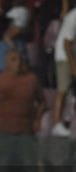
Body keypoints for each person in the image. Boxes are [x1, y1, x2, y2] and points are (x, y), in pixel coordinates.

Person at [0, 49, 46, 172]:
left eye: (19, 59)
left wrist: (37, 119)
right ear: (6, 63)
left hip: (26, 131)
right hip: (3, 132)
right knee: (6, 169)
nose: (18, 63)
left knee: (30, 169)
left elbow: (43, 102)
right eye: (13, 60)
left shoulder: (31, 79)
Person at [53, 5, 76, 136]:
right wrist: (74, 68)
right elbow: (66, 44)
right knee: (63, 88)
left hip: (72, 55)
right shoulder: (74, 16)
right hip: (64, 56)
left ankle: (68, 117)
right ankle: (56, 123)